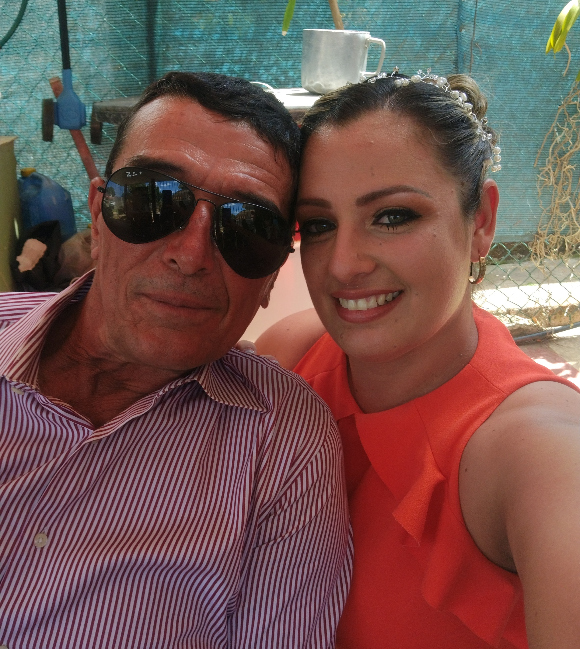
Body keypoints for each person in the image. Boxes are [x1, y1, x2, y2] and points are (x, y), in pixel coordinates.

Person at [0, 71, 351, 649]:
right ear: (99, 219)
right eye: (152, 199)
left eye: (247, 226)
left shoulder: (281, 444)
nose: (190, 255)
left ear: (272, 276)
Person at [256, 69, 580, 648]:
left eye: (393, 216)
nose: (344, 264)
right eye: (320, 225)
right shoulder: (292, 356)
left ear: (480, 222)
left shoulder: (537, 452)